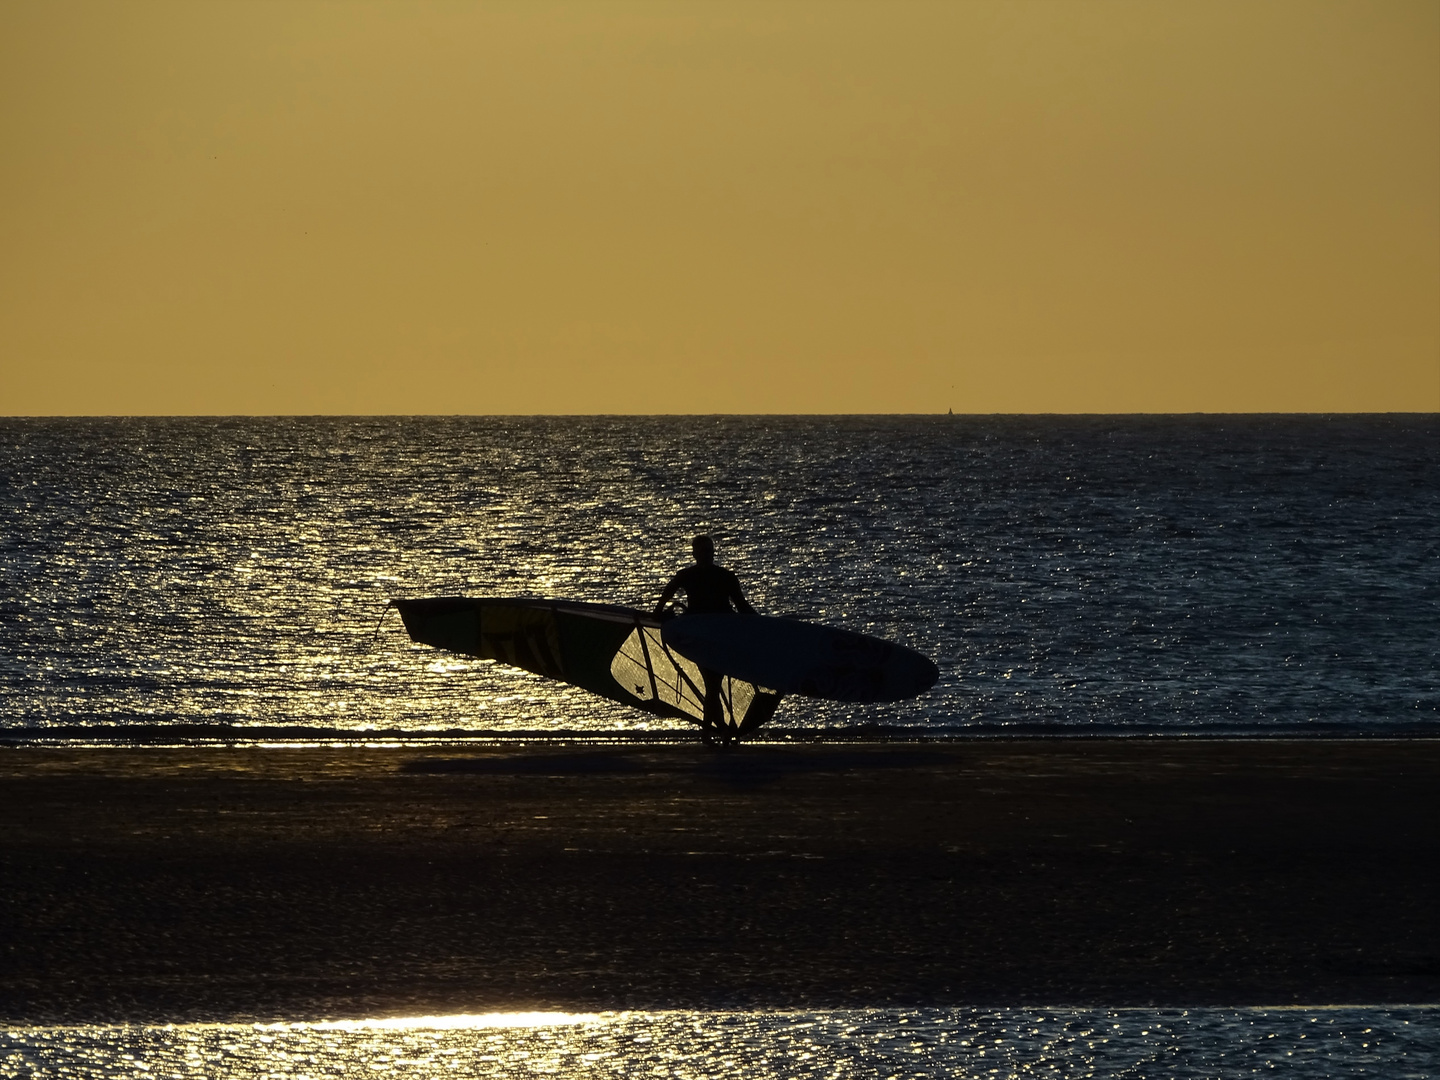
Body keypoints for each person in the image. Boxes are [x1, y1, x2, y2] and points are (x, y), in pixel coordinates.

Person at [654, 535, 755, 744]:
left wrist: (762, 624)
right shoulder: (687, 576)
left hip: (722, 636)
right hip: (700, 637)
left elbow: (742, 606)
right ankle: (716, 731)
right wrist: (657, 612)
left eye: (709, 551)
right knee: (712, 685)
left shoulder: (726, 576)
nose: (707, 555)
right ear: (694, 554)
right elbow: (667, 594)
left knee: (713, 686)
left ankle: (713, 732)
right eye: (703, 552)